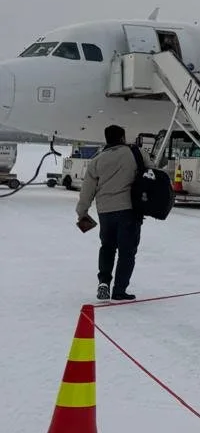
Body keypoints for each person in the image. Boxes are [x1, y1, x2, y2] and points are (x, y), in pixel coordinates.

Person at [75, 124, 142, 301]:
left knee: (107, 247)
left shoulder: (97, 160)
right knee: (127, 252)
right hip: (128, 209)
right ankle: (119, 290)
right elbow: (151, 172)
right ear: (122, 138)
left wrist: (82, 211)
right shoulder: (134, 153)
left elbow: (87, 189)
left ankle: (103, 282)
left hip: (105, 211)